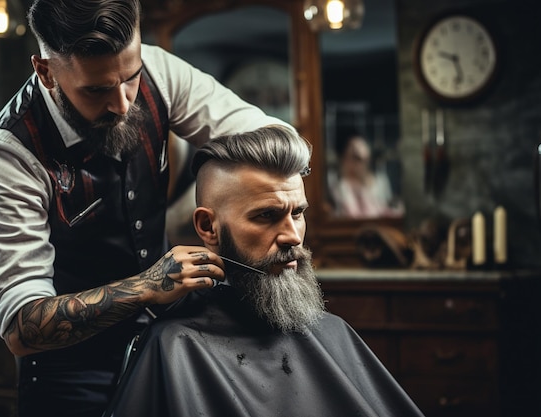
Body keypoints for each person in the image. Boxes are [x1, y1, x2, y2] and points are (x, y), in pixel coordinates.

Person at [0, 1, 291, 416]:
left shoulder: (157, 71)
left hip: (163, 346)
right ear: (46, 70)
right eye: (97, 89)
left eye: (130, 78)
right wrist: (146, 286)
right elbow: (21, 326)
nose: (123, 104)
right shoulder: (7, 155)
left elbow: (266, 133)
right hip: (70, 377)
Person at [102, 125, 424, 417]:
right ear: (207, 227)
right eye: (267, 216)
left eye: (297, 213)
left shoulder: (333, 332)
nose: (293, 236)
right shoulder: (174, 347)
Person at [330, 128, 403, 218]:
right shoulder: (342, 187)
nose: (361, 165)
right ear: (344, 160)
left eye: (365, 159)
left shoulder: (380, 181)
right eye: (356, 158)